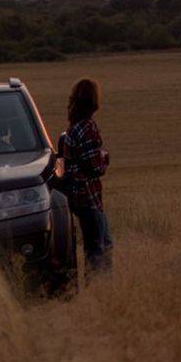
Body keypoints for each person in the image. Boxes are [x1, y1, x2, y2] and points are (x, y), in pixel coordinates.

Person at [57, 77, 112, 273]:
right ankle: (101, 289)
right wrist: (104, 157)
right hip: (89, 196)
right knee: (100, 248)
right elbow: (94, 167)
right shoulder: (88, 127)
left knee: (96, 245)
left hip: (78, 197)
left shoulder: (73, 128)